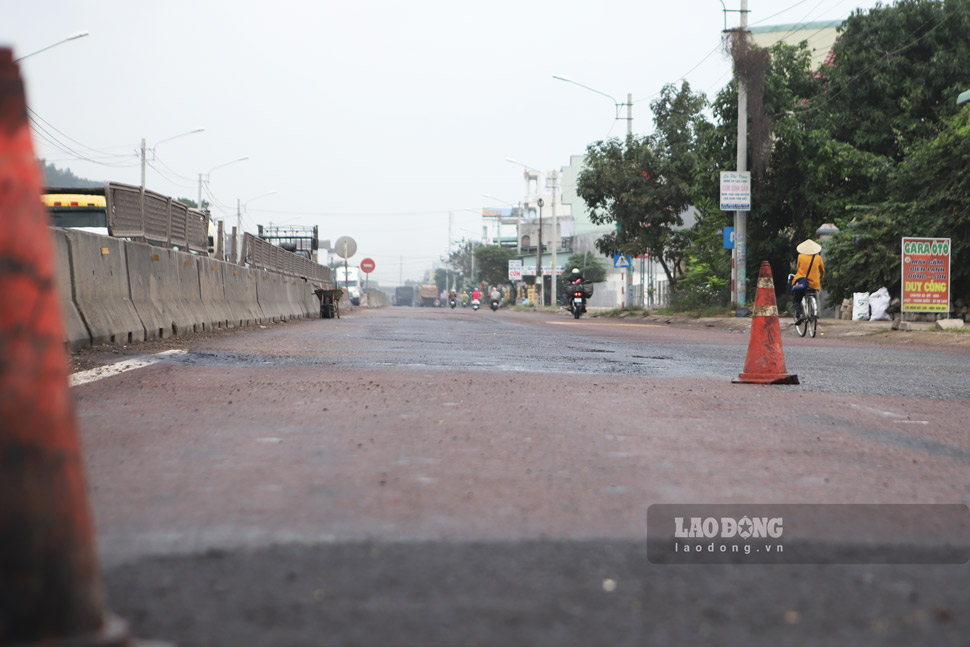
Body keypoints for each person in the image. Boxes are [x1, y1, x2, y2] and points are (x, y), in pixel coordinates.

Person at [791, 239, 825, 324]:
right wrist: (821, 276)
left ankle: (800, 315)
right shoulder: (818, 258)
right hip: (813, 283)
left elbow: (798, 268)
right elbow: (822, 270)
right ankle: (814, 311)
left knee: (796, 300)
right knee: (813, 294)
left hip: (802, 282)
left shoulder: (800, 256)